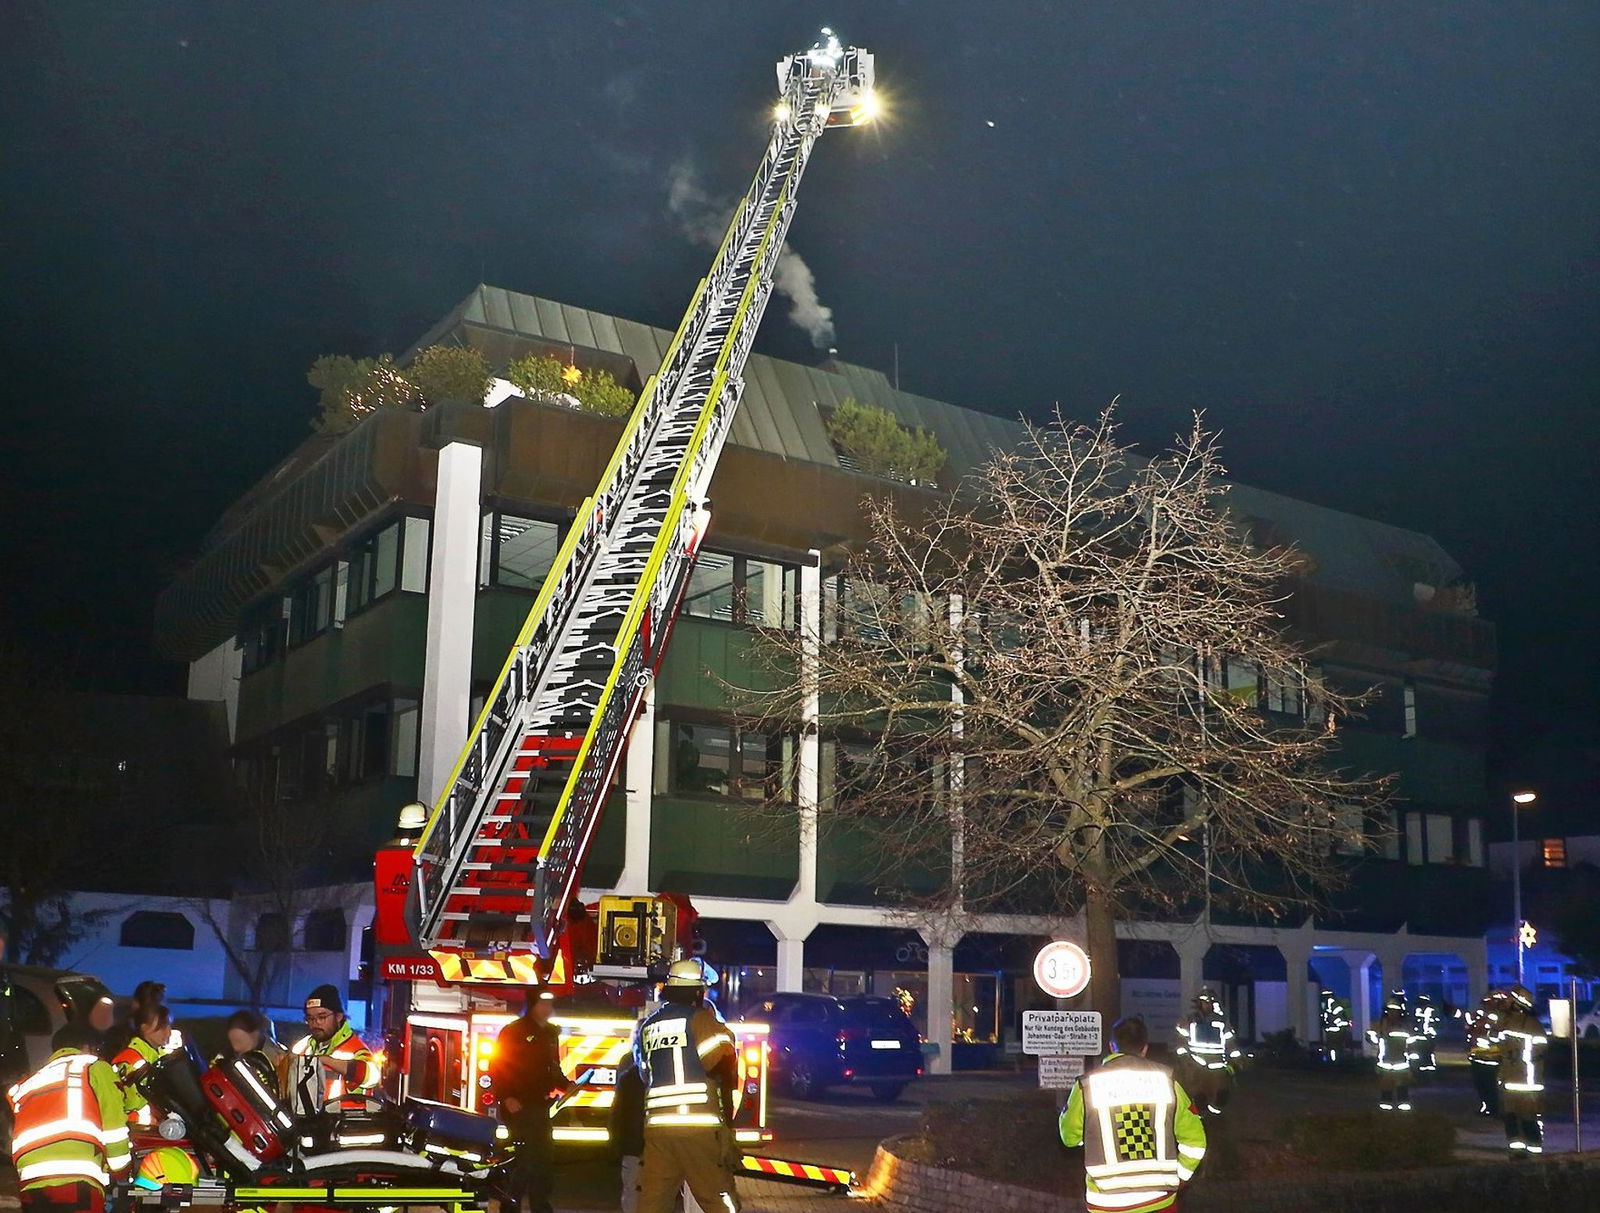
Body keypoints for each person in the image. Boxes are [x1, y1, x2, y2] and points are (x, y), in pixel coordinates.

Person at [1060, 1016, 1207, 1213]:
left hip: (1107, 1203)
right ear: (1145, 1048)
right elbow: (1196, 1142)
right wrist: (1180, 1176)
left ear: (1112, 1046)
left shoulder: (1086, 1086)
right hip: (1159, 1200)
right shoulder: (1168, 1082)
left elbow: (1069, 1138)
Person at [634, 959, 741, 1213]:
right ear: (697, 991)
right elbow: (720, 1062)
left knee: (653, 1201)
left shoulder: (649, 1026)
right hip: (697, 1128)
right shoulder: (700, 1020)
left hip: (658, 1130)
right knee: (718, 1197)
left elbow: (644, 1073)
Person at [5, 1022, 132, 1213]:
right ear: (87, 1047)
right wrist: (121, 1173)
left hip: (30, 1183)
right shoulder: (93, 1067)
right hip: (75, 1179)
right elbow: (114, 1127)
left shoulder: (31, 1082)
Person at [489, 986, 570, 1213]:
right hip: (519, 1107)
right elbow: (498, 1066)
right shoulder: (513, 1032)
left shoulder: (549, 1033)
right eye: (542, 1004)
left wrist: (567, 1086)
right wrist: (506, 1097)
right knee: (521, 1161)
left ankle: (540, 1207)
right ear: (532, 1005)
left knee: (543, 1160)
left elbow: (552, 1068)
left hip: (540, 1106)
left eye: (549, 1005)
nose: (546, 1009)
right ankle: (509, 1206)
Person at [277, 984, 377, 1120]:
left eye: (322, 1017)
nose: (315, 1023)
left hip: (347, 1127)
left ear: (339, 1016)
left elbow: (372, 1076)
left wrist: (325, 1060)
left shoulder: (356, 1048)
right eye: (310, 1019)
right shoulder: (302, 1046)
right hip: (310, 1125)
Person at [1494, 984, 1548, 1156]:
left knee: (1528, 1119)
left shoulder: (1532, 1025)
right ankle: (1517, 1153)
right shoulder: (1506, 1022)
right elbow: (1500, 1045)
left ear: (1518, 1003)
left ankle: (1535, 1153)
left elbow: (1539, 1050)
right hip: (1510, 1081)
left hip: (1527, 1084)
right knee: (1510, 1119)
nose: (1506, 1001)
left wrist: (1518, 1055)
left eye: (1510, 999)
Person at [1172, 989, 1238, 1114]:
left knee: (1221, 1097)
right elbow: (1180, 1042)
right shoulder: (1189, 1021)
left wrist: (1237, 1059)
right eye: (1205, 1002)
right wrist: (1185, 1059)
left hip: (1217, 1067)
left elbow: (1230, 1042)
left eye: (1211, 1002)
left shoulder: (1222, 1022)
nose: (1208, 1005)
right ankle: (1199, 1118)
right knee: (1198, 1097)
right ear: (1198, 1004)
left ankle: (1217, 1119)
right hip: (1196, 1066)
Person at [110, 1004, 174, 1129]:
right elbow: (130, 1102)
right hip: (135, 1129)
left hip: (156, 1128)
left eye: (169, 1025)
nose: (169, 1032)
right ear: (144, 1028)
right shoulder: (130, 1060)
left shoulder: (160, 1056)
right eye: (162, 1027)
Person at [609, 1053, 647, 1213]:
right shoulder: (664, 1074)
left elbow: (617, 1115)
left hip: (633, 1146)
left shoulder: (628, 1077)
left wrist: (615, 1144)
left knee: (632, 1190)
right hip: (656, 1145)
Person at [1367, 992, 1415, 1111]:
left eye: (1395, 1011)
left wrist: (1412, 1066)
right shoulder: (1382, 1026)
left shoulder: (1403, 1027)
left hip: (1400, 1067)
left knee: (1402, 1095)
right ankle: (1387, 1115)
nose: (1393, 1013)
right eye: (1391, 1011)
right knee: (1387, 1096)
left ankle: (1402, 1117)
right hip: (1387, 1066)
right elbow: (1372, 1039)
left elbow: (1412, 1047)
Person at [1465, 990, 1505, 1117]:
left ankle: (1495, 1109)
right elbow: (1471, 1030)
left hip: (1492, 1058)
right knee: (1481, 1085)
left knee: (1491, 1086)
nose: (1486, 1005)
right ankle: (1486, 1107)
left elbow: (1497, 1036)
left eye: (1488, 1003)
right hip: (1478, 1057)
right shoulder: (1481, 1016)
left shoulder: (1502, 1018)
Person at [1318, 989, 1352, 1063]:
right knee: (1334, 1048)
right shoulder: (1328, 1008)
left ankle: (1335, 1062)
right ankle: (1335, 1062)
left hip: (1335, 1031)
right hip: (1333, 1031)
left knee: (1334, 1048)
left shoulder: (1334, 1007)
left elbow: (1339, 1020)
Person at [1410, 994, 1441, 1074]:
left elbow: (1434, 1024)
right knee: (1423, 1054)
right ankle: (1424, 1069)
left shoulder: (1429, 1011)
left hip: (1425, 1038)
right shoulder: (1431, 1010)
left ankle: (1425, 1070)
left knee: (1425, 1054)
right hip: (1423, 1038)